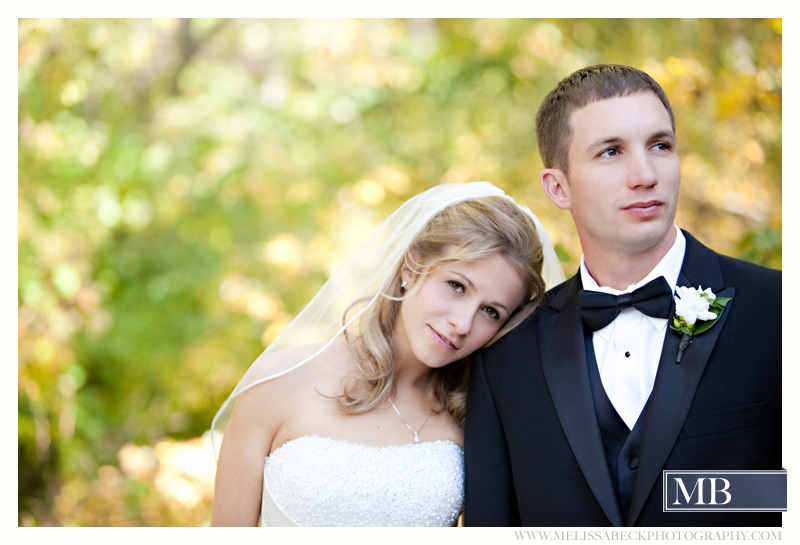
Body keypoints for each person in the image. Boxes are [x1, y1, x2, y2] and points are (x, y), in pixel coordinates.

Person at [464, 65, 781, 527]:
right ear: (559, 187)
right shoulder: (506, 356)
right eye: (611, 152)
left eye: (660, 145)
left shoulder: (778, 309)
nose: (645, 174)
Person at [210, 181, 565, 526]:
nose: (462, 323)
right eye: (456, 286)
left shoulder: (476, 418)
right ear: (410, 267)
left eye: (491, 312)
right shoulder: (278, 381)